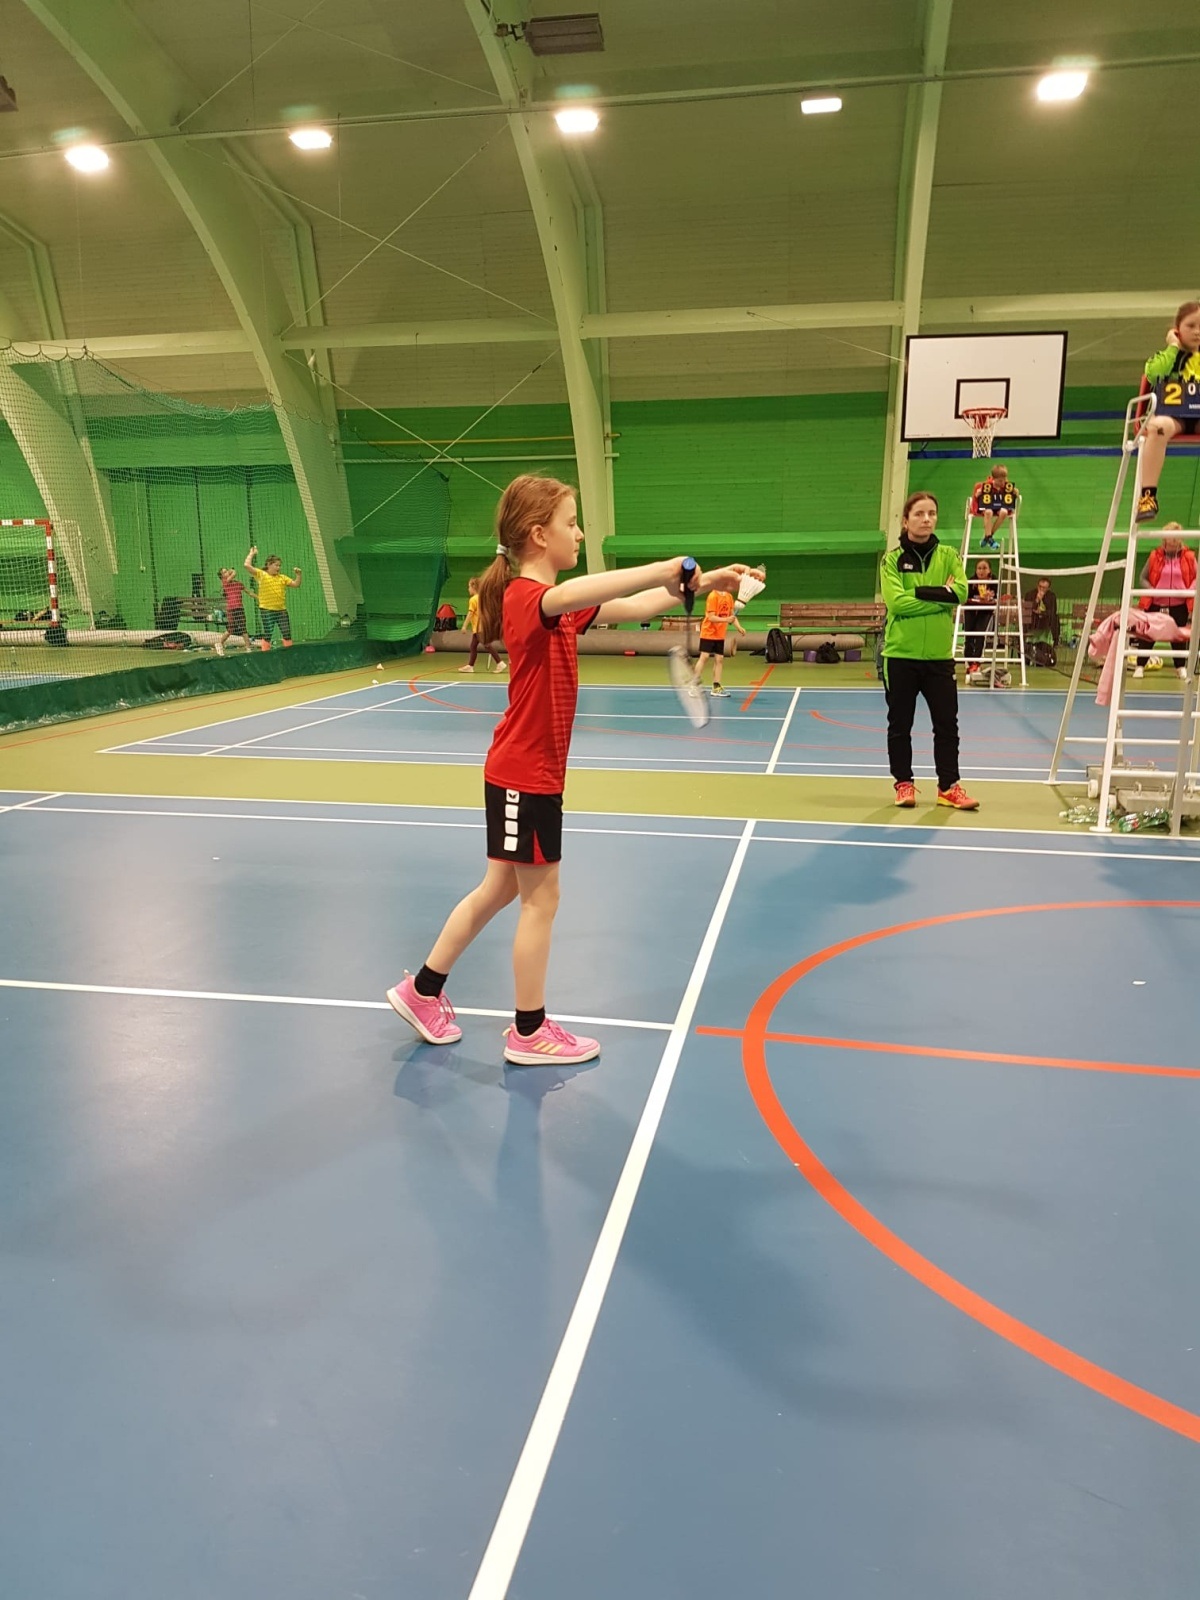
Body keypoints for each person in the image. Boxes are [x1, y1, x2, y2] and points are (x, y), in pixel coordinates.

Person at [386, 474, 746, 1066]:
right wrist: (664, 567)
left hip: (527, 773)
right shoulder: (529, 599)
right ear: (538, 534)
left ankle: (422, 991)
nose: (579, 533)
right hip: (524, 775)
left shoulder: (558, 607)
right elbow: (589, 590)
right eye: (571, 523)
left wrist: (704, 583)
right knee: (541, 899)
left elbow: (634, 605)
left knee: (501, 888)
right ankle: (529, 1032)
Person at [880, 490, 978, 810]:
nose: (926, 519)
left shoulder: (949, 556)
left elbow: (960, 593)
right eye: (919, 514)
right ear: (906, 520)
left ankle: (949, 787)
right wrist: (940, 597)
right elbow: (897, 603)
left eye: (931, 513)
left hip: (939, 658)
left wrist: (919, 593)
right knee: (900, 725)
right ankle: (903, 784)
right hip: (900, 657)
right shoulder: (892, 560)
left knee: (947, 725)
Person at [1137, 300, 1200, 522]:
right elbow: (1153, 374)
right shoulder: (1167, 357)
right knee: (1157, 428)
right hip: (1173, 418)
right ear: (1177, 329)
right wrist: (1173, 347)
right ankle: (1148, 497)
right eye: (1191, 325)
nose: (1197, 331)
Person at [1134, 523, 1195, 679]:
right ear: (1164, 539)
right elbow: (1142, 578)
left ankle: (1180, 667)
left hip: (1179, 605)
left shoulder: (1189, 557)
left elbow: (1197, 577)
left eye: (1176, 539)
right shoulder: (1154, 556)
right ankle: (1140, 666)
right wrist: (1152, 590)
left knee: (1178, 637)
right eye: (1170, 539)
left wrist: (1189, 591)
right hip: (1156, 603)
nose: (1173, 542)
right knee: (1148, 635)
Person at [691, 586, 746, 697]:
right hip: (708, 632)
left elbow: (731, 615)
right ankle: (694, 686)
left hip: (720, 634)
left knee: (719, 659)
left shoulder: (729, 596)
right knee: (704, 657)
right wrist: (726, 619)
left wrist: (739, 627)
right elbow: (711, 617)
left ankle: (716, 687)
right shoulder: (712, 596)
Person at [243, 546, 301, 649]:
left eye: (279, 565)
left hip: (281, 610)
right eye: (276, 565)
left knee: (287, 634)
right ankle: (265, 652)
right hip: (267, 610)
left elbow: (296, 584)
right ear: (269, 565)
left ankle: (289, 653)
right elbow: (246, 565)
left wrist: (298, 575)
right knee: (268, 634)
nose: (278, 568)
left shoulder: (282, 578)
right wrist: (252, 553)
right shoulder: (262, 575)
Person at [458, 575, 505, 674]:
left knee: (487, 645)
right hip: (482, 627)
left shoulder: (473, 600)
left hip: (479, 628)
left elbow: (470, 613)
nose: (468, 589)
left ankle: (500, 663)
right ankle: (470, 666)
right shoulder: (483, 598)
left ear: (473, 587)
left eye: (469, 586)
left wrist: (464, 626)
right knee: (473, 646)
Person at [962, 558, 996, 683]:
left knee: (980, 636)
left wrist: (990, 598)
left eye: (984, 568)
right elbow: (966, 597)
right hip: (971, 611)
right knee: (969, 636)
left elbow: (996, 597)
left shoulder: (994, 581)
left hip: (985, 612)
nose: (981, 571)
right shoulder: (971, 581)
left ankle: (976, 662)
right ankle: (969, 662)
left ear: (989, 570)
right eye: (979, 568)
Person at [974, 463, 1019, 550]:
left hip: (1001, 507)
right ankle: (990, 539)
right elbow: (977, 496)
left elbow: (1012, 497)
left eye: (1004, 479)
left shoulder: (1007, 486)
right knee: (988, 512)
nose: (1003, 482)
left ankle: (988, 537)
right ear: (993, 479)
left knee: (1004, 512)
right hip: (988, 507)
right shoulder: (987, 485)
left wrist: (1015, 493)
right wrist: (978, 494)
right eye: (1000, 481)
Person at [216, 566, 253, 655]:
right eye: (224, 572)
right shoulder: (225, 582)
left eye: (226, 571)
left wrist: (258, 598)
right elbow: (234, 573)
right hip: (231, 609)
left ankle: (248, 647)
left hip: (240, 608)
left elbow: (249, 592)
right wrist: (232, 570)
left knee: (243, 628)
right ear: (222, 577)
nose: (227, 573)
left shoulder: (238, 583)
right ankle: (219, 643)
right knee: (231, 629)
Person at [1024, 577, 1059, 666]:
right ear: (1037, 586)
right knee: (1028, 619)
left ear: (1048, 588)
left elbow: (1052, 612)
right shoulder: (1030, 594)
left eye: (1044, 588)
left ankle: (1052, 645)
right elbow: (1028, 609)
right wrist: (1037, 599)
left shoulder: (1051, 596)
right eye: (1040, 587)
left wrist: (1042, 613)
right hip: (1032, 622)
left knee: (1054, 619)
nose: (1042, 589)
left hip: (1045, 622)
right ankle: (1027, 651)